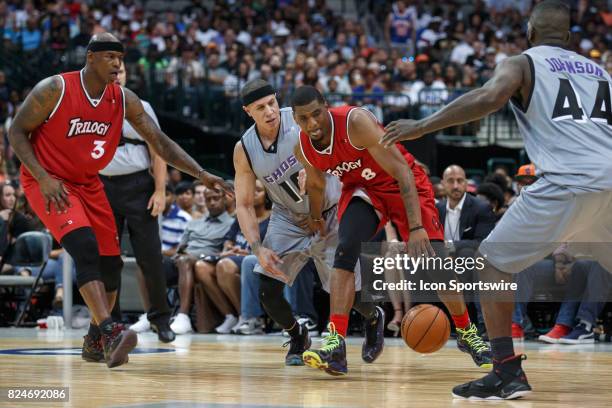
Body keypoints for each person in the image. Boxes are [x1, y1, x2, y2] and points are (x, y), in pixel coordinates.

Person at [381, 0, 612, 399]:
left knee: (492, 265)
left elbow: (490, 97)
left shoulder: (523, 62)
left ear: (530, 32)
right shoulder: (601, 72)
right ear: (570, 38)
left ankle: (506, 371)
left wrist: (422, 125)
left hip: (567, 181)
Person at [7, 33, 231, 369]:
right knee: (84, 248)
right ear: (90, 57)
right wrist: (41, 176)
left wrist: (201, 173)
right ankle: (111, 331)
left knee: (111, 262)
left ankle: (94, 339)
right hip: (49, 181)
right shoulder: (55, 89)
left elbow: (160, 143)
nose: (117, 64)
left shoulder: (125, 100)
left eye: (120, 58)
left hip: (88, 182)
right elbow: (16, 132)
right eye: (110, 56)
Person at [292, 85, 491, 376]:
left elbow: (403, 173)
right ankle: (335, 341)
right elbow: (316, 184)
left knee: (433, 260)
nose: (312, 123)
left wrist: (416, 227)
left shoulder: (355, 122)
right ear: (295, 119)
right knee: (345, 249)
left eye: (316, 114)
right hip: (365, 191)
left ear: (326, 106)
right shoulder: (304, 146)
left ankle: (466, 331)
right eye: (303, 118)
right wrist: (315, 217)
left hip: (402, 185)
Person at [233, 79, 384, 367]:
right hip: (287, 218)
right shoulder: (244, 149)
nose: (269, 112)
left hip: (329, 212)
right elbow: (243, 204)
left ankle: (373, 315)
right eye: (260, 108)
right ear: (247, 111)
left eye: (272, 103)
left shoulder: (302, 118)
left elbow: (338, 151)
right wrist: (257, 247)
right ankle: (297, 333)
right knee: (267, 287)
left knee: (345, 291)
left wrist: (315, 170)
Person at [99, 61, 174, 343]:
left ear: (126, 75)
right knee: (107, 259)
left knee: (150, 257)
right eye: (111, 71)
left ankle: (160, 319)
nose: (116, 75)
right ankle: (112, 322)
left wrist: (160, 190)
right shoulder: (90, 108)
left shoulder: (140, 105)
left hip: (139, 187)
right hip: (102, 186)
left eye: (120, 71)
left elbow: (159, 150)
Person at [169, 187, 234, 334]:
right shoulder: (194, 222)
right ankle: (151, 315)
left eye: (216, 199)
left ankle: (183, 315)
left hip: (208, 259)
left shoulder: (231, 223)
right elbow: (181, 247)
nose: (212, 203)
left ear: (224, 199)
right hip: (182, 259)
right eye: (208, 199)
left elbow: (225, 250)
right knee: (148, 264)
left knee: (186, 261)